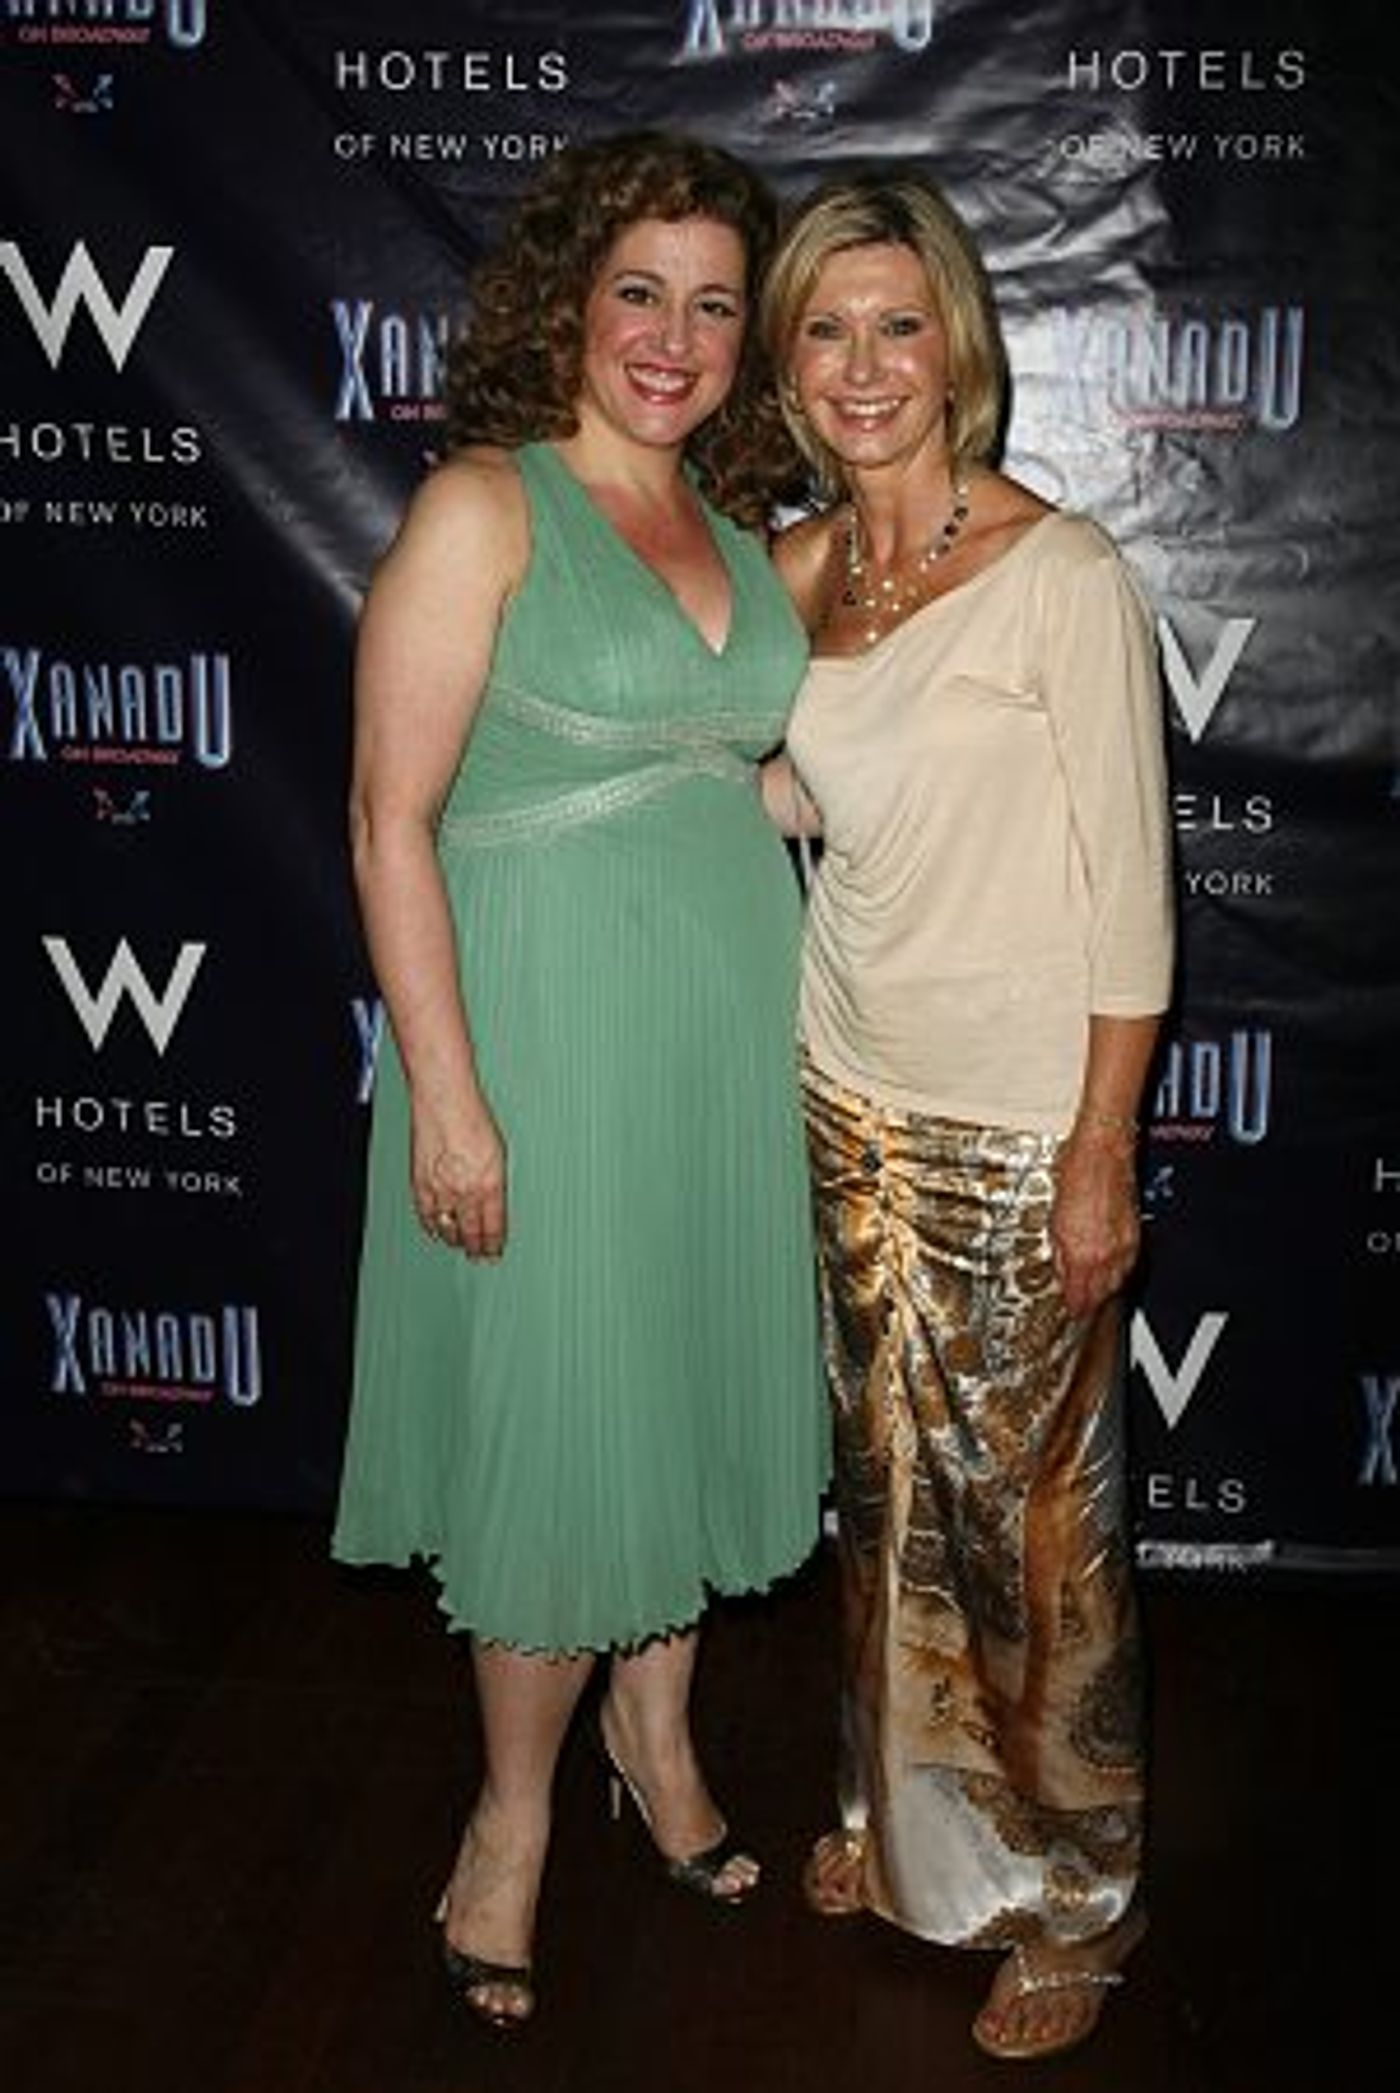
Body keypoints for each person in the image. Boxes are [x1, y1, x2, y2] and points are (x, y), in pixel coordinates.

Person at [330, 131, 829, 2031]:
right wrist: (450, 1099)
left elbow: (746, 781)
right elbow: (389, 819)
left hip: (720, 1045)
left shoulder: (736, 530)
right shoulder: (487, 507)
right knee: (563, 1427)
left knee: (678, 1391)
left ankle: (659, 1739)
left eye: (714, 305)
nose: (673, 336)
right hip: (543, 1042)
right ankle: (514, 1817)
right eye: (640, 291)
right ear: (569, 300)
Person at [757, 170, 1175, 2062]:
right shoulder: (798, 573)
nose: (865, 367)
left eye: (897, 326)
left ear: (958, 349)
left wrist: (1100, 1146)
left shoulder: (1060, 572)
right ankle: (901, 1816)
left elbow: (1133, 894)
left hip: (1015, 1124)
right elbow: (788, 797)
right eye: (826, 332)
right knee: (885, 1500)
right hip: (845, 1093)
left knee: (1033, 1538)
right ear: (788, 367)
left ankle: (1079, 1890)